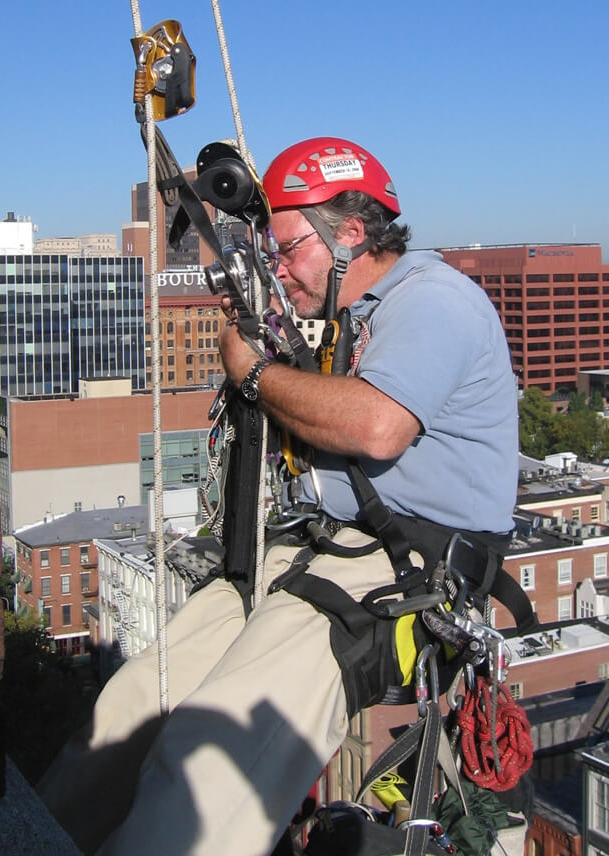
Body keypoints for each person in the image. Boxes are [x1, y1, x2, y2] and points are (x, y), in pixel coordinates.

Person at [39, 136, 518, 856]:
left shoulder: (434, 300)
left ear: (350, 233)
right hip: (319, 544)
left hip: (408, 563)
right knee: (131, 709)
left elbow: (377, 426)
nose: (280, 268)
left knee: (214, 757)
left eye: (290, 249)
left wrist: (254, 373)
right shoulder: (343, 313)